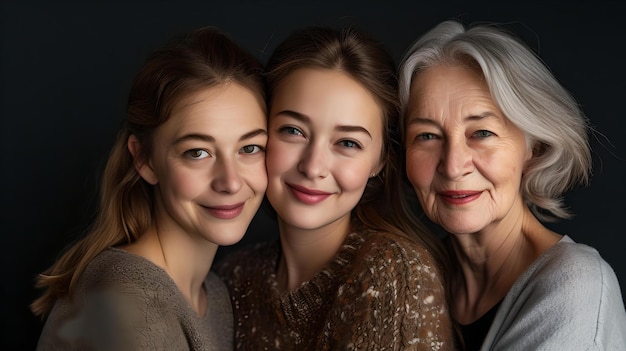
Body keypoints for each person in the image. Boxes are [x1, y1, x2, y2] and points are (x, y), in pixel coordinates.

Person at [215, 25, 454, 351]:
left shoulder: (393, 276)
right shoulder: (235, 275)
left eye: (347, 143)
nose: (313, 167)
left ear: (380, 160)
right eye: (293, 131)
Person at [31, 26, 268, 350]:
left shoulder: (214, 294)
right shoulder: (127, 301)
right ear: (145, 160)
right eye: (197, 152)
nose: (230, 181)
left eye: (250, 148)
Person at [398, 19, 626, 351]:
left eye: (482, 133)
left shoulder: (577, 286)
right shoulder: (408, 276)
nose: (452, 164)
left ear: (534, 146)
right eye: (427, 136)